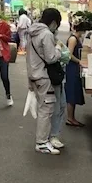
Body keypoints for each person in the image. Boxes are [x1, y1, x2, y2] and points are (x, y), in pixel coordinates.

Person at [27, 8, 64, 155]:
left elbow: (29, 57)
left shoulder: (32, 32)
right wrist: (59, 48)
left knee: (43, 107)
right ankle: (42, 142)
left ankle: (42, 141)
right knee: (46, 110)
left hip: (34, 74)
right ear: (54, 22)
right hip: (44, 75)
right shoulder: (46, 34)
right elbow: (51, 57)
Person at [66, 21, 91, 127]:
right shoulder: (73, 39)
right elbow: (69, 54)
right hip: (72, 68)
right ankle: (70, 118)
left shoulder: (77, 38)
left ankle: (72, 117)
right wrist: (79, 61)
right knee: (72, 92)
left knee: (75, 91)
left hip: (75, 67)